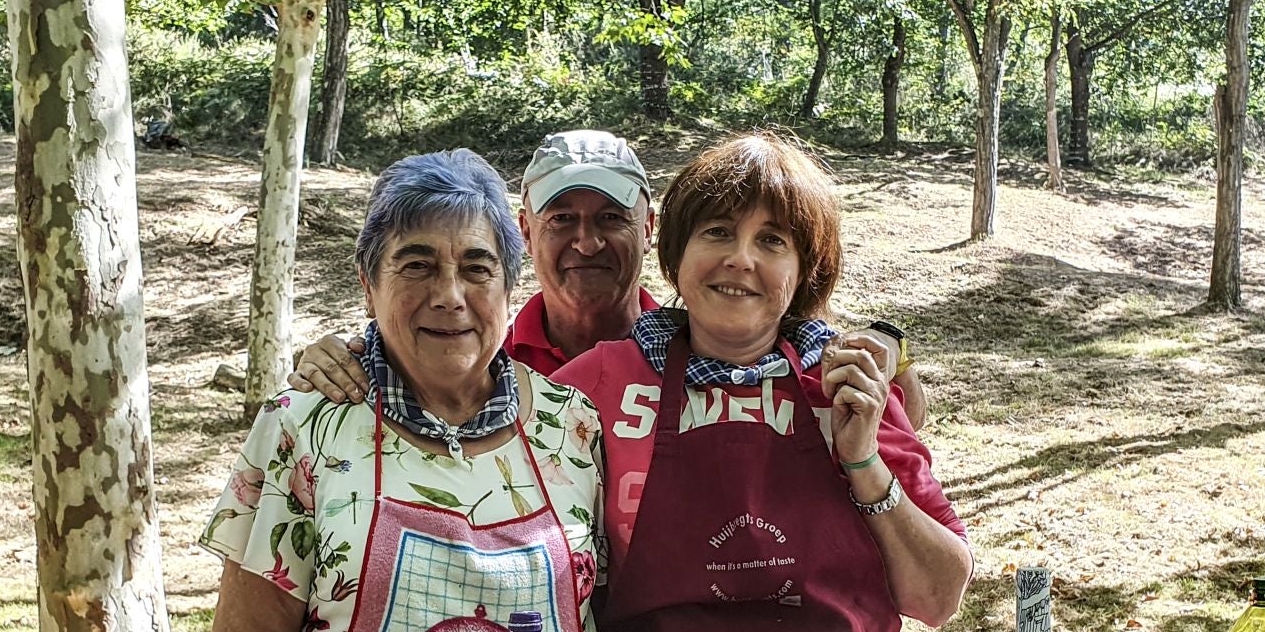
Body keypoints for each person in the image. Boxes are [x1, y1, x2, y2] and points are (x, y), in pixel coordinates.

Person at [203, 149, 613, 632]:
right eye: (416, 265)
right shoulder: (307, 431)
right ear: (368, 283)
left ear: (510, 284)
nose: (449, 295)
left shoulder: (573, 425)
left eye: (476, 267)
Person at [551, 132, 972, 632]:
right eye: (718, 231)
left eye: (773, 240)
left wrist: (862, 460)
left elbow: (938, 596)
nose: (740, 259)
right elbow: (462, 430)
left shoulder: (847, 386)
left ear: (803, 270)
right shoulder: (594, 389)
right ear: (679, 255)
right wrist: (358, 367)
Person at [289, 129, 929, 429]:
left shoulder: (709, 342)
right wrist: (343, 354)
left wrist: (892, 355)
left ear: (649, 227)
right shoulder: (478, 356)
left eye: (612, 219)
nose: (587, 241)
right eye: (563, 217)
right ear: (525, 229)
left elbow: (867, 394)